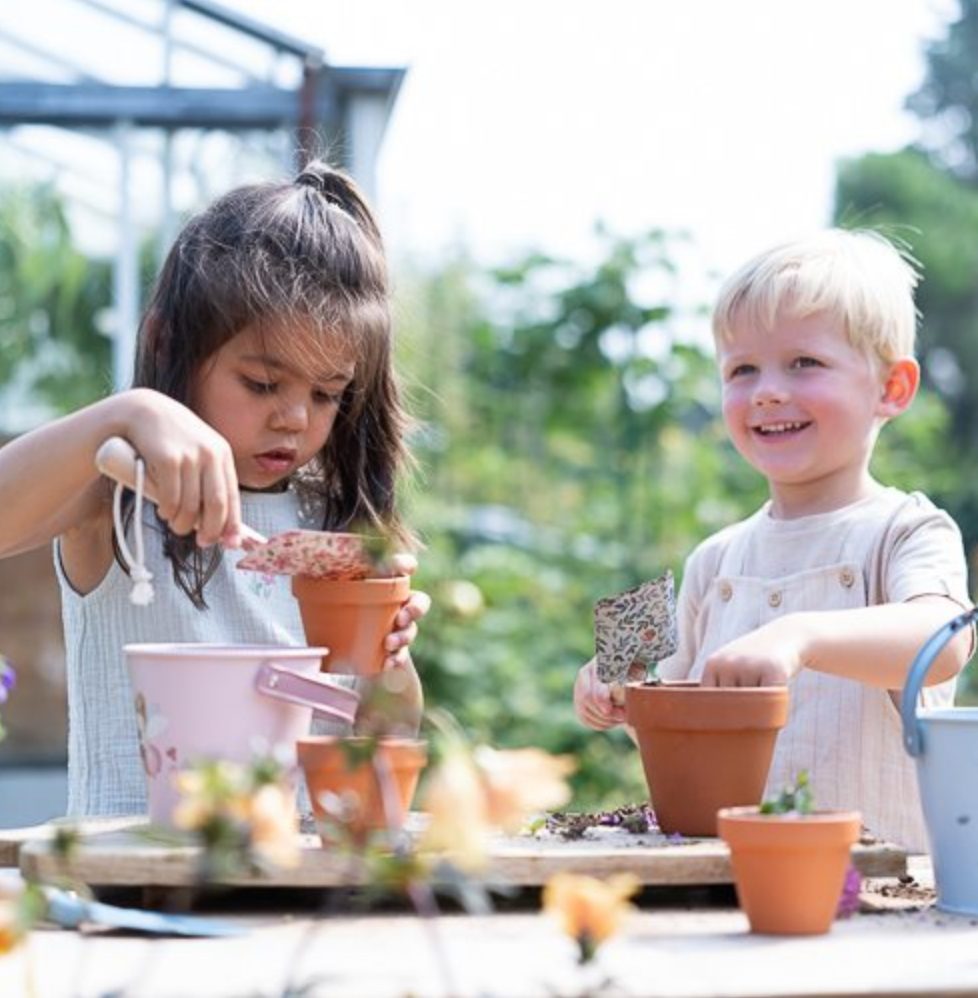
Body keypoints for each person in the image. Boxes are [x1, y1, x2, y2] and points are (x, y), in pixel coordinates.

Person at [0, 159, 430, 818]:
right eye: (262, 384)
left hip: (290, 896)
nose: (293, 417)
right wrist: (128, 413)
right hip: (130, 892)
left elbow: (380, 739)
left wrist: (386, 660)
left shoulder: (331, 525)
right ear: (168, 344)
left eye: (327, 395)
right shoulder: (119, 490)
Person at [574, 228, 974, 851]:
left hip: (875, 889)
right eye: (742, 369)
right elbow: (670, 708)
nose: (766, 390)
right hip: (728, 875)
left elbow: (943, 641)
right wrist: (618, 688)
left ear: (891, 388)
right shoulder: (718, 558)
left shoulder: (905, 530)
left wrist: (802, 635)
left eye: (804, 363)